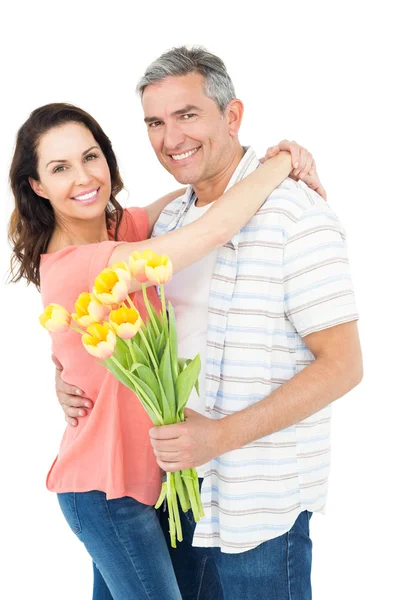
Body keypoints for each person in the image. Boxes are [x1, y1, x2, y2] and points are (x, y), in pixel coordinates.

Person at [57, 46, 362, 599]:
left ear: (233, 116)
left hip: (258, 509)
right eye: (154, 122)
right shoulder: (167, 223)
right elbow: (104, 305)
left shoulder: (296, 216)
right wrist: (69, 376)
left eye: (187, 115)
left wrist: (219, 439)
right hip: (175, 497)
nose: (170, 138)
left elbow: (344, 366)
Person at [8, 102, 315, 600]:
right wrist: (282, 163)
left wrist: (250, 164)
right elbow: (212, 229)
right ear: (37, 186)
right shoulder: (80, 264)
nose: (84, 177)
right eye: (60, 168)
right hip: (105, 492)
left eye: (91, 157)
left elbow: (196, 196)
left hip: (152, 483)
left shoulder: (118, 229)